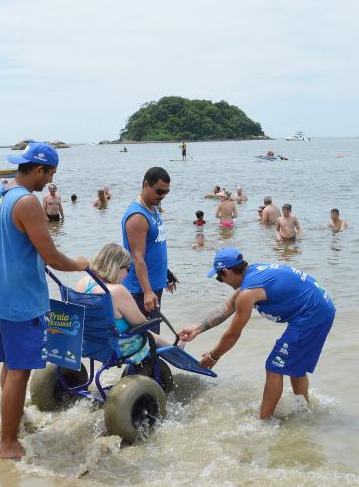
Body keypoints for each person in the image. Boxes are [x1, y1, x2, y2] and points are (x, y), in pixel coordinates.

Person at [0, 141, 88, 460]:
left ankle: (15, 423)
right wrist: (80, 264)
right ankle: (8, 444)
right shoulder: (27, 202)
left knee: (10, 365)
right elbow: (52, 256)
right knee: (20, 371)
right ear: (38, 169)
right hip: (20, 302)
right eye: (50, 172)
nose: (50, 179)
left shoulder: (0, 194)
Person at [178, 249, 336, 418]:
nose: (221, 281)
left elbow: (233, 334)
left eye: (219, 277)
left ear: (226, 271)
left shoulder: (249, 292)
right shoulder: (252, 275)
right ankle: (303, 410)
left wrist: (213, 356)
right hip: (320, 308)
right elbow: (227, 307)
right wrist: (197, 329)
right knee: (292, 365)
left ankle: (264, 421)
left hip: (312, 314)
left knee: (274, 367)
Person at [75, 244, 172, 362]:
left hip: (89, 344)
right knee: (150, 335)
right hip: (116, 347)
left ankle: (173, 347)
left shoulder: (83, 282)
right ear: (117, 267)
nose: (128, 274)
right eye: (128, 269)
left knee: (150, 334)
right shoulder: (117, 291)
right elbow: (141, 323)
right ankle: (175, 349)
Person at [122, 167, 174, 332]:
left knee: (153, 339)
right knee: (147, 345)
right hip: (140, 290)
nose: (162, 196)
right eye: (159, 191)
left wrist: (166, 272)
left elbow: (155, 246)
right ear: (146, 184)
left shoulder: (152, 208)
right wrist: (147, 291)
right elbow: (137, 257)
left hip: (154, 285)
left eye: (166, 192)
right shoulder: (137, 217)